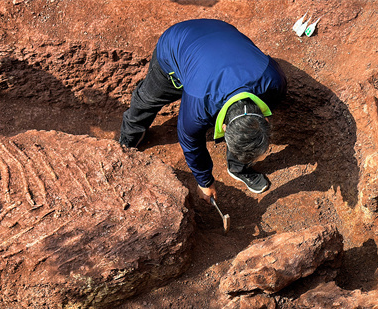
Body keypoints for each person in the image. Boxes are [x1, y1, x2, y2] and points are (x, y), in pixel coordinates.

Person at [119, 19, 287, 198]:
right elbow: (190, 142)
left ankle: (238, 168)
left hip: (222, 34)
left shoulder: (274, 82)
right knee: (147, 99)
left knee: (245, 135)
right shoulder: (198, 104)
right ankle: (128, 139)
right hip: (177, 43)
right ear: (223, 127)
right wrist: (205, 181)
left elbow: (246, 127)